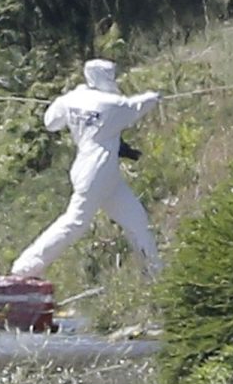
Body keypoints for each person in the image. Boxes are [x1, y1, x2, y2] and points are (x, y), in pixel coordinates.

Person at [10, 60, 161, 279]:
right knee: (76, 221)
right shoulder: (113, 103)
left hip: (102, 174)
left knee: (136, 220)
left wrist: (68, 101)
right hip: (96, 170)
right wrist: (154, 97)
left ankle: (155, 274)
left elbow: (51, 122)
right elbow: (136, 107)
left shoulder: (74, 98)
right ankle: (27, 266)